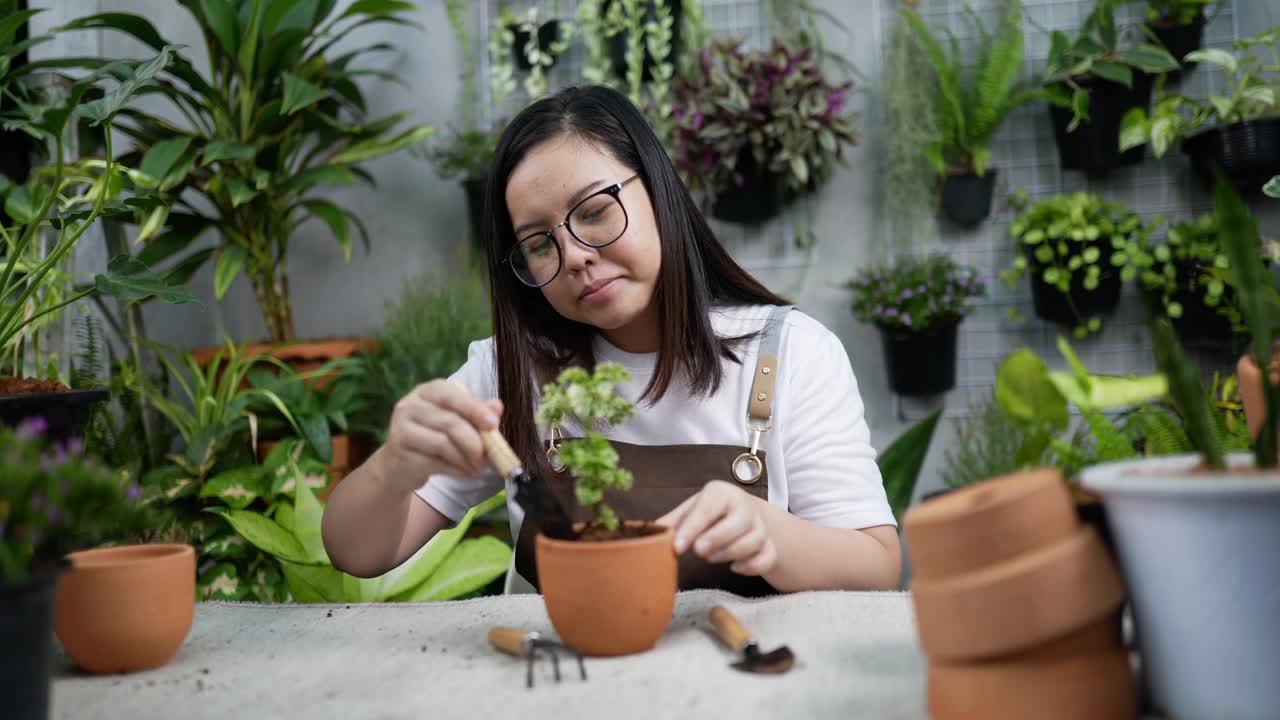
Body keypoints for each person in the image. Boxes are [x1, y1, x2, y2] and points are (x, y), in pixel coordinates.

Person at [322, 84, 901, 594]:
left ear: (658, 190)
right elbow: (358, 553)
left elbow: (877, 565)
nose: (574, 256)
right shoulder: (510, 374)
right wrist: (393, 467)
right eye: (539, 243)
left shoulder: (789, 355)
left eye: (595, 211)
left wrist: (772, 535)